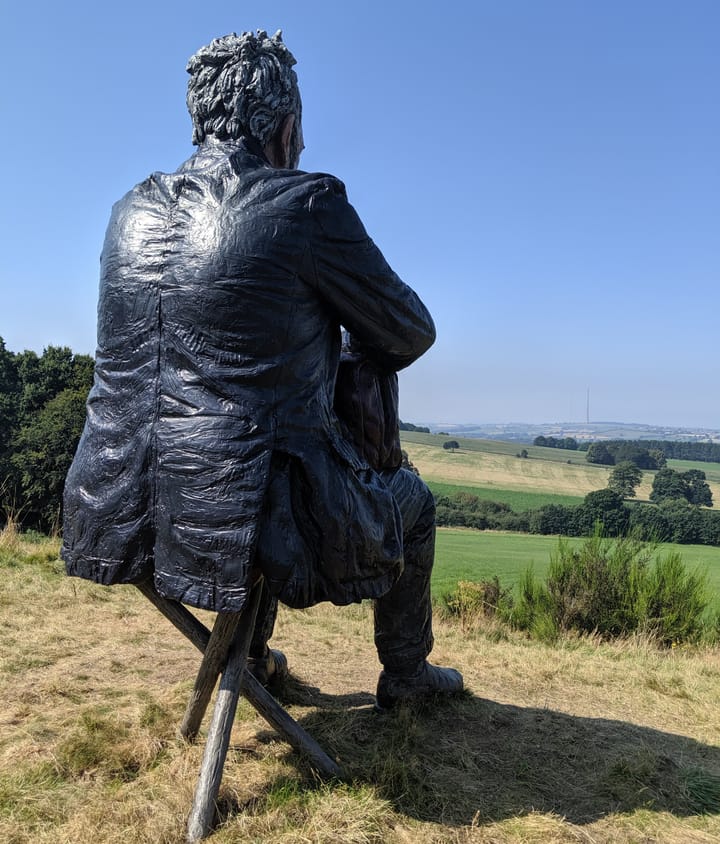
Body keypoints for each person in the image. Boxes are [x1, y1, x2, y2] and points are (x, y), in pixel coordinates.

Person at [62, 30, 462, 709]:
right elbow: (411, 331)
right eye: (298, 123)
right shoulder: (305, 206)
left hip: (119, 507)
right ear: (278, 124)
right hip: (251, 516)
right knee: (409, 504)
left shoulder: (125, 213)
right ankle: (407, 679)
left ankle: (246, 656)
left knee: (255, 468)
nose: (301, 143)